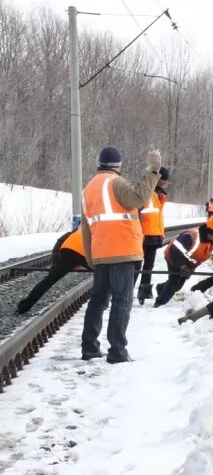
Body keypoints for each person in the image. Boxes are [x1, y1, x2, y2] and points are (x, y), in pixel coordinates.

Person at [81, 146, 162, 363]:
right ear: (118, 165)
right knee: (121, 302)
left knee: (98, 301)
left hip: (101, 254)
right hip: (123, 251)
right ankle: (117, 352)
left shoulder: (88, 188)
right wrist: (153, 171)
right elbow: (138, 198)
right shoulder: (115, 182)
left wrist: (90, 258)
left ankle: (89, 347)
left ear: (99, 162)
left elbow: (86, 229)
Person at [153, 216, 213, 307]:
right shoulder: (191, 236)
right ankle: (159, 304)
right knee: (174, 283)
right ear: (210, 231)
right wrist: (181, 266)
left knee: (177, 286)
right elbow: (175, 250)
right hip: (174, 258)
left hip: (188, 265)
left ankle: (155, 288)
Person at [16, 227, 89, 314]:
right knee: (103, 271)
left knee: (48, 280)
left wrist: (56, 263)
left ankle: (23, 307)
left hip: (65, 252)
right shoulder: (101, 227)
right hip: (82, 253)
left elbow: (61, 241)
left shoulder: (79, 229)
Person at [136, 166, 170, 305]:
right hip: (143, 234)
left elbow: (157, 217)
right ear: (159, 179)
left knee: (148, 265)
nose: (167, 182)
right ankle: (126, 293)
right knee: (136, 265)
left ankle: (143, 292)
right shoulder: (147, 193)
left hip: (154, 235)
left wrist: (160, 235)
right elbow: (137, 212)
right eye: (165, 179)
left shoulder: (160, 195)